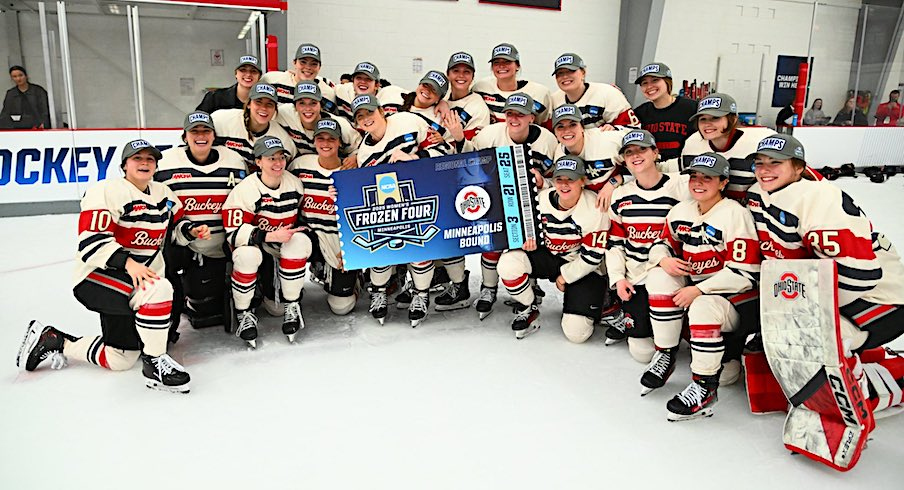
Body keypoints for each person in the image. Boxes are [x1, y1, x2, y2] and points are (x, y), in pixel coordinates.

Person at [16, 140, 209, 393]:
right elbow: (91, 242)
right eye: (137, 158)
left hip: (136, 283)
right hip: (98, 277)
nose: (144, 163)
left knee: (120, 359)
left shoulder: (164, 194)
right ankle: (154, 364)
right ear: (124, 165)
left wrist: (191, 231)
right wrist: (129, 264)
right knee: (160, 288)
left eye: (150, 159)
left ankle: (55, 340)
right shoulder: (106, 190)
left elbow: (175, 230)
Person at [747, 133, 904, 420]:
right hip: (835, 291)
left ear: (798, 168)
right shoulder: (760, 192)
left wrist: (800, 317)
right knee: (787, 334)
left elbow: (859, 276)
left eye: (776, 163)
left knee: (815, 340)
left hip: (880, 295)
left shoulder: (819, 198)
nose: (765, 169)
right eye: (760, 162)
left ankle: (872, 394)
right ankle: (869, 363)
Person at [644, 153, 761, 419]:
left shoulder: (735, 214)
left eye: (707, 177)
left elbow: (746, 273)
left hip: (732, 301)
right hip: (694, 292)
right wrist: (664, 259)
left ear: (723, 182)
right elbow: (660, 244)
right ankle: (665, 354)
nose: (698, 182)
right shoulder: (681, 210)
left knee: (704, 309)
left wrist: (699, 290)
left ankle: (705, 386)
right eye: (694, 177)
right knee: (658, 276)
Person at [351, 94, 452, 327]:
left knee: (420, 246)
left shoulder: (407, 121)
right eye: (360, 116)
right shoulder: (365, 154)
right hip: (393, 207)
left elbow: (444, 151)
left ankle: (421, 293)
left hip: (427, 195)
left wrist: (415, 157)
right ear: (356, 123)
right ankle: (379, 290)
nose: (366, 119)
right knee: (380, 244)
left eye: (370, 112)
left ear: (381, 111)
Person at [455, 93, 558, 319]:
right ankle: (488, 289)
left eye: (520, 114)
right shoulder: (491, 134)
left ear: (531, 117)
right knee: (492, 242)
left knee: (526, 244)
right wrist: (460, 139)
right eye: (510, 113)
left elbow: (560, 179)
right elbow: (470, 160)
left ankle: (530, 285)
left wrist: (545, 182)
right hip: (496, 198)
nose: (514, 118)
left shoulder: (548, 141)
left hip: (533, 203)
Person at [155, 111, 247, 338]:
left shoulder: (234, 160)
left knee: (211, 305)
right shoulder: (165, 163)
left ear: (214, 135)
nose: (201, 136)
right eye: (194, 131)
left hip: (222, 246)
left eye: (206, 131)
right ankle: (171, 311)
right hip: (182, 246)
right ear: (185, 136)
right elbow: (156, 202)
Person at [497, 156, 610, 341]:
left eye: (571, 179)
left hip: (582, 265)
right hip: (550, 255)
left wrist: (565, 276)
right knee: (509, 264)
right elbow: (523, 232)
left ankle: (603, 302)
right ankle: (529, 306)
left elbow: (593, 257)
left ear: (582, 181)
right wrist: (527, 241)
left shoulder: (595, 208)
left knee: (577, 334)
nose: (564, 185)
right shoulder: (541, 200)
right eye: (559, 179)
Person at [606, 129, 689, 363]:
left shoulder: (680, 187)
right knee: (641, 353)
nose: (635, 155)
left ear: (655, 152)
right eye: (629, 152)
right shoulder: (621, 195)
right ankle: (634, 313)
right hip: (635, 275)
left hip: (668, 272)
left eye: (642, 149)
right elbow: (615, 243)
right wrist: (618, 279)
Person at [222, 136, 312, 348]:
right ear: (258, 162)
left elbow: (304, 217)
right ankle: (243, 312)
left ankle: (292, 304)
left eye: (281, 157)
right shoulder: (246, 189)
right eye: (271, 158)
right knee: (247, 255)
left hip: (282, 250)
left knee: (299, 240)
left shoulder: (294, 184)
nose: (278, 163)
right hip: (257, 249)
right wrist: (270, 236)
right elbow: (233, 233)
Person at [288, 118, 361, 315]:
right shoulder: (299, 166)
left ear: (339, 143)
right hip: (311, 234)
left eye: (331, 139)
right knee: (295, 242)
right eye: (321, 138)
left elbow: (363, 218)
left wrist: (352, 249)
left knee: (341, 307)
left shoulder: (353, 171)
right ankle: (290, 298)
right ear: (314, 141)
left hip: (338, 239)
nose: (326, 143)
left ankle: (351, 278)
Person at [670, 93, 775, 202]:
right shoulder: (693, 142)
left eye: (715, 118)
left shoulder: (760, 141)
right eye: (703, 119)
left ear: (733, 119)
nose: (707, 124)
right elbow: (678, 167)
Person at [211, 83, 296, 172]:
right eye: (258, 102)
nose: (263, 108)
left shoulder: (283, 140)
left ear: (275, 109)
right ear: (248, 104)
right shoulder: (221, 119)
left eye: (269, 104)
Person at [275, 81, 360, 163]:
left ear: (321, 105)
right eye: (302, 103)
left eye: (313, 103)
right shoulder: (284, 114)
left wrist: (355, 157)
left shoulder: (340, 125)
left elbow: (359, 148)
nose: (308, 108)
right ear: (295, 106)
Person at [550, 53, 637, 130]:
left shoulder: (608, 93)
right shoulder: (554, 100)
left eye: (571, 71)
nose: (565, 76)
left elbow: (632, 128)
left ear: (583, 72)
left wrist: (615, 130)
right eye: (560, 73)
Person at [472, 43, 552, 125]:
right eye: (496, 62)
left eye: (507, 61)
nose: (501, 66)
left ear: (518, 66)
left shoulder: (539, 93)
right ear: (492, 67)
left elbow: (545, 127)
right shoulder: (480, 88)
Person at [633, 62, 697, 161]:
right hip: (653, 169)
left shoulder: (692, 108)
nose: (649, 86)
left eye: (655, 80)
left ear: (668, 82)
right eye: (644, 83)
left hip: (684, 169)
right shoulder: (639, 113)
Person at [260, 43, 337, 112]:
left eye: (313, 64)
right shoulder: (272, 80)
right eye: (303, 62)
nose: (308, 67)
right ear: (294, 63)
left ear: (319, 67)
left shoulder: (327, 93)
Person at [335, 62, 407, 122]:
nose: (362, 82)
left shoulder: (388, 97)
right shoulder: (343, 91)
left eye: (368, 79)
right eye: (358, 78)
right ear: (353, 81)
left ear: (376, 85)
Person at [445, 52, 491, 142]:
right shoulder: (441, 99)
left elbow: (474, 148)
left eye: (466, 72)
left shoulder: (478, 107)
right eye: (456, 71)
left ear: (472, 76)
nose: (461, 75)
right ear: (448, 74)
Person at [196, 55, 262, 114]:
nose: (248, 75)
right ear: (236, 74)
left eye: (253, 71)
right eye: (243, 70)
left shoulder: (265, 102)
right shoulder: (215, 98)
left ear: (259, 76)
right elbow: (197, 123)